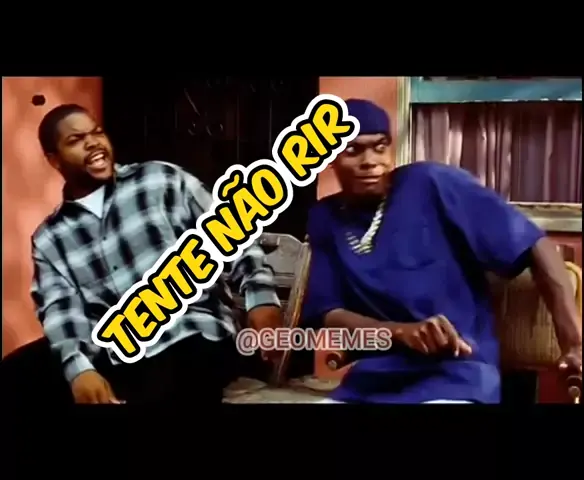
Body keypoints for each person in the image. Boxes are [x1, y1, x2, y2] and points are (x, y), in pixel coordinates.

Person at [302, 98, 582, 404]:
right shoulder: (325, 218)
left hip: (457, 375)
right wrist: (399, 332)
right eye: (352, 150)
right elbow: (329, 312)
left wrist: (574, 343)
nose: (370, 161)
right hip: (372, 381)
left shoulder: (431, 183)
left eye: (380, 147)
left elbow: (535, 244)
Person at [31, 104, 282, 405]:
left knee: (169, 374)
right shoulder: (50, 238)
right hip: (117, 351)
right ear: (54, 160)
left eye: (97, 132)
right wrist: (79, 370)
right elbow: (61, 312)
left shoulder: (161, 179)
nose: (93, 143)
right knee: (18, 375)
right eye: (76, 140)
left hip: (192, 331)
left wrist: (260, 297)